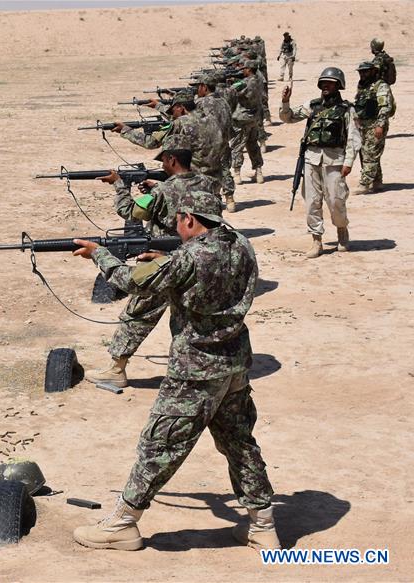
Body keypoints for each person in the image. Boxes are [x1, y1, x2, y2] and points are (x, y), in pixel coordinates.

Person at [70, 189, 279, 552]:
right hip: (234, 364)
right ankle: (263, 526)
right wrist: (169, 259)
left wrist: (98, 254)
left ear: (190, 220)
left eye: (179, 220)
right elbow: (198, 267)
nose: (177, 225)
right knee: (240, 444)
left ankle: (122, 523)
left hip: (194, 370)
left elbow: (130, 281)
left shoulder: (190, 257)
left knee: (159, 445)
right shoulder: (241, 244)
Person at [86, 136, 216, 388]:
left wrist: (119, 185)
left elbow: (130, 211)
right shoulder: (208, 183)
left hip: (165, 261)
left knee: (138, 314)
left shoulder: (162, 191)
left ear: (172, 159)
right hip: (202, 258)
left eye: (164, 162)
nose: (163, 166)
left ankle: (116, 369)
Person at [279, 67, 361, 259]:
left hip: (335, 161)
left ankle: (342, 230)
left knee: (336, 201)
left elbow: (354, 138)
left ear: (338, 85)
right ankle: (316, 240)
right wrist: (285, 101)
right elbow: (287, 117)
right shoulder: (312, 105)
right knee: (312, 202)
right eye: (323, 82)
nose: (325, 86)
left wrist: (348, 162)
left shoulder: (347, 109)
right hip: (311, 159)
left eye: (330, 83)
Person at [110, 92, 223, 196]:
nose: (172, 116)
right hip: (215, 179)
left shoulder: (181, 122)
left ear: (181, 108)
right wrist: (158, 106)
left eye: (173, 111)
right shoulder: (212, 120)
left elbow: (151, 142)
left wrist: (126, 130)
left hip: (193, 182)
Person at [192, 71, 236, 211]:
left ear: (204, 87)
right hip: (224, 143)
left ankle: (213, 200)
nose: (197, 89)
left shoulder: (201, 103)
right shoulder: (223, 101)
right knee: (224, 170)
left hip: (208, 146)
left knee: (207, 175)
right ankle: (230, 198)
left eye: (199, 86)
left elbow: (189, 120)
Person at [353, 61, 395, 194]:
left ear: (372, 71)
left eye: (365, 71)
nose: (362, 74)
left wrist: (380, 125)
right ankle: (377, 182)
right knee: (365, 152)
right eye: (361, 72)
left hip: (375, 124)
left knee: (370, 153)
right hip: (363, 125)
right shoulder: (363, 86)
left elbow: (385, 107)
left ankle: (364, 184)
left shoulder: (381, 86)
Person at [229, 60, 265, 185]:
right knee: (253, 144)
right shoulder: (260, 80)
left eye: (244, 68)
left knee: (237, 145)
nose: (242, 70)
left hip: (241, 118)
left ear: (249, 69)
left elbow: (232, 91)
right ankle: (259, 172)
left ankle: (237, 173)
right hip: (255, 118)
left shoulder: (244, 83)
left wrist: (230, 82)